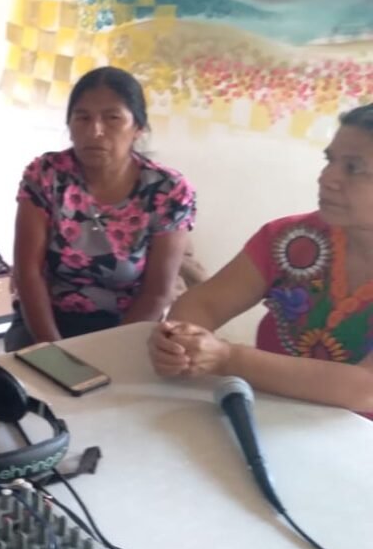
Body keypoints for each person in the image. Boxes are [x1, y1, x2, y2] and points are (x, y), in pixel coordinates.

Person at [149, 105, 373, 414]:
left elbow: (365, 389)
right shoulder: (290, 239)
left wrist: (228, 358)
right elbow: (205, 304)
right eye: (330, 160)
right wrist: (179, 343)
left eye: (354, 168)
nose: (327, 178)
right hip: (264, 415)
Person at [6, 66, 196, 351]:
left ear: (138, 128)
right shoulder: (46, 175)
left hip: (126, 323)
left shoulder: (168, 191)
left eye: (112, 118)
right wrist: (53, 351)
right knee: (17, 375)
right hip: (47, 318)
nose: (95, 130)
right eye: (82, 117)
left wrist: (108, 354)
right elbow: (28, 273)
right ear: (70, 126)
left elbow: (157, 293)